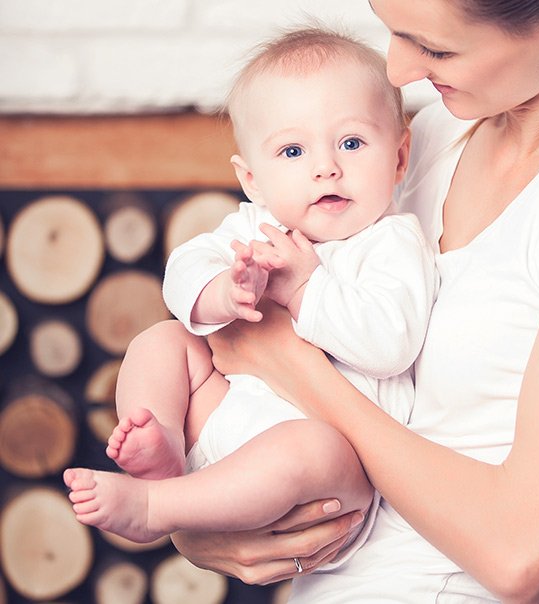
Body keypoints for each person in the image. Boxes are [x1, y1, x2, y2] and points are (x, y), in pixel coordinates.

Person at [169, 0, 539, 602]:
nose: (398, 69)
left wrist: (292, 367)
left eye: (434, 48)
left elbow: (522, 559)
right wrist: (201, 516)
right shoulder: (428, 134)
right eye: (393, 32)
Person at [63, 27, 437, 559]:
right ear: (253, 180)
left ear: (399, 158)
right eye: (292, 150)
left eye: (352, 143)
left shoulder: (392, 243)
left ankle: (155, 507)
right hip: (224, 418)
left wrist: (307, 288)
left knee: (309, 449)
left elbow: (390, 345)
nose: (326, 167)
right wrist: (223, 293)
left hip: (326, 465)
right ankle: (163, 439)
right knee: (162, 340)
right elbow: (182, 271)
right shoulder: (255, 227)